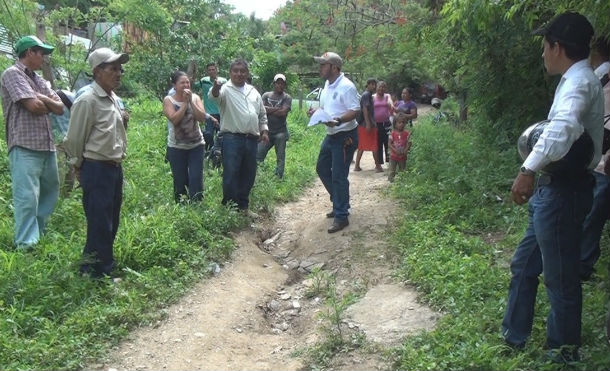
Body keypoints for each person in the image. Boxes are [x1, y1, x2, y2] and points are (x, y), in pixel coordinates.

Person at [502, 12, 603, 364]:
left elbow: (562, 129)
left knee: (560, 281)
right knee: (524, 264)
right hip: (554, 189)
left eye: (545, 47)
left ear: (557, 47)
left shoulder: (578, 83)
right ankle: (513, 337)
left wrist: (527, 169)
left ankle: (562, 356)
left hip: (563, 192)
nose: (542, 54)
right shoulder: (577, 78)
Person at [64, 47, 129, 278]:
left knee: (109, 220)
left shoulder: (112, 98)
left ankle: (89, 267)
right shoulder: (88, 99)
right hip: (96, 168)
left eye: (120, 69)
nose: (119, 73)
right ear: (97, 71)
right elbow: (74, 139)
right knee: (100, 222)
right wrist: (78, 166)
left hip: (112, 168)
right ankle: (102, 273)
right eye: (113, 68)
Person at [1, 35, 64, 249]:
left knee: (49, 192)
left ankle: (38, 236)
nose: (44, 58)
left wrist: (42, 97)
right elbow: (34, 107)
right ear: (29, 53)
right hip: (24, 145)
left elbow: (60, 107)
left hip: (46, 145)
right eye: (41, 53)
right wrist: (46, 101)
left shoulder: (38, 80)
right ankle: (26, 244)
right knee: (27, 197)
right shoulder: (12, 74)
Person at [209, 58, 269, 214]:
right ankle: (230, 207)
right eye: (235, 71)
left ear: (247, 73)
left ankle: (243, 206)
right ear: (230, 73)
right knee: (231, 172)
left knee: (248, 173)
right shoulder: (225, 89)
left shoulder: (253, 91)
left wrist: (264, 130)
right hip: (231, 138)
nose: (239, 74)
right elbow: (214, 96)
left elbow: (262, 114)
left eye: (242, 71)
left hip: (251, 139)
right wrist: (215, 88)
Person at [312, 51, 360, 233]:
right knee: (322, 168)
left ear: (334, 67)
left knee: (339, 175)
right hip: (331, 134)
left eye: (323, 65)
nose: (320, 68)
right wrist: (317, 113)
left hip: (344, 136)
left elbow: (355, 111)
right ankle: (341, 201)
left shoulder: (347, 86)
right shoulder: (327, 84)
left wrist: (338, 120)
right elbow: (327, 107)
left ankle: (341, 216)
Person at [579, 39, 610, 281]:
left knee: (592, 216)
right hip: (598, 160)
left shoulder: (601, 77)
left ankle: (582, 265)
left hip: (602, 162)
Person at [163, 71, 206, 202]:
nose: (186, 85)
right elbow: (174, 120)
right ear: (174, 85)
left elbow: (202, 118)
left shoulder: (196, 98)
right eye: (182, 82)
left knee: (196, 177)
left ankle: (197, 205)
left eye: (187, 82)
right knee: (180, 180)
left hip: (197, 145)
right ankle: (181, 206)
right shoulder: (168, 100)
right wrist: (184, 104)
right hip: (176, 147)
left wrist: (191, 102)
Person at [256, 73, 292, 179]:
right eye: (278, 83)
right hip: (266, 131)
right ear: (274, 84)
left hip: (280, 132)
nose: (280, 85)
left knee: (280, 156)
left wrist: (268, 110)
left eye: (282, 83)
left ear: (284, 85)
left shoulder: (287, 97)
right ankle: (257, 176)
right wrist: (277, 108)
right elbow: (261, 110)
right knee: (258, 154)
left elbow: (283, 113)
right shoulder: (266, 95)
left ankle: (278, 176)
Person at [50, 89, 76, 195]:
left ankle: (61, 195)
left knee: (61, 169)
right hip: (70, 139)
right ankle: (66, 194)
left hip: (57, 141)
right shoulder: (70, 96)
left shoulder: (45, 100)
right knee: (71, 168)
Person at [354, 78, 382, 172]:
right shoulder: (366, 95)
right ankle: (378, 166)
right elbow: (365, 109)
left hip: (363, 124)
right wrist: (369, 124)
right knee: (374, 145)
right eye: (372, 84)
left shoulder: (368, 95)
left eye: (375, 85)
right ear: (368, 84)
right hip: (366, 124)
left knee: (362, 145)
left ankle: (357, 166)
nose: (374, 87)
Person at [199, 63, 224, 153]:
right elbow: (194, 86)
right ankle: (210, 151)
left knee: (221, 135)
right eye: (209, 70)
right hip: (209, 113)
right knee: (208, 134)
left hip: (221, 112)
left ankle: (218, 155)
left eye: (213, 69)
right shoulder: (203, 81)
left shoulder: (223, 81)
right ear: (207, 71)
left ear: (217, 70)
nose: (211, 71)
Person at [373, 81, 393, 165]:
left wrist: (390, 104)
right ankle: (379, 162)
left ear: (386, 88)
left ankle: (389, 161)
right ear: (376, 87)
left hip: (386, 123)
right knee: (378, 142)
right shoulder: (372, 97)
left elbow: (391, 104)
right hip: (376, 123)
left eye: (383, 87)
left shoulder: (387, 96)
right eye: (380, 87)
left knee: (388, 141)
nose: (381, 88)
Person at [388, 113, 411, 182]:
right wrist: (395, 150)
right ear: (395, 124)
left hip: (403, 156)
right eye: (399, 122)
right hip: (393, 156)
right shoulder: (392, 134)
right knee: (392, 170)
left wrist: (406, 150)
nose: (401, 124)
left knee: (402, 170)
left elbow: (409, 143)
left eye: (403, 122)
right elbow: (389, 144)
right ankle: (391, 181)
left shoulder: (407, 134)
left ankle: (402, 182)